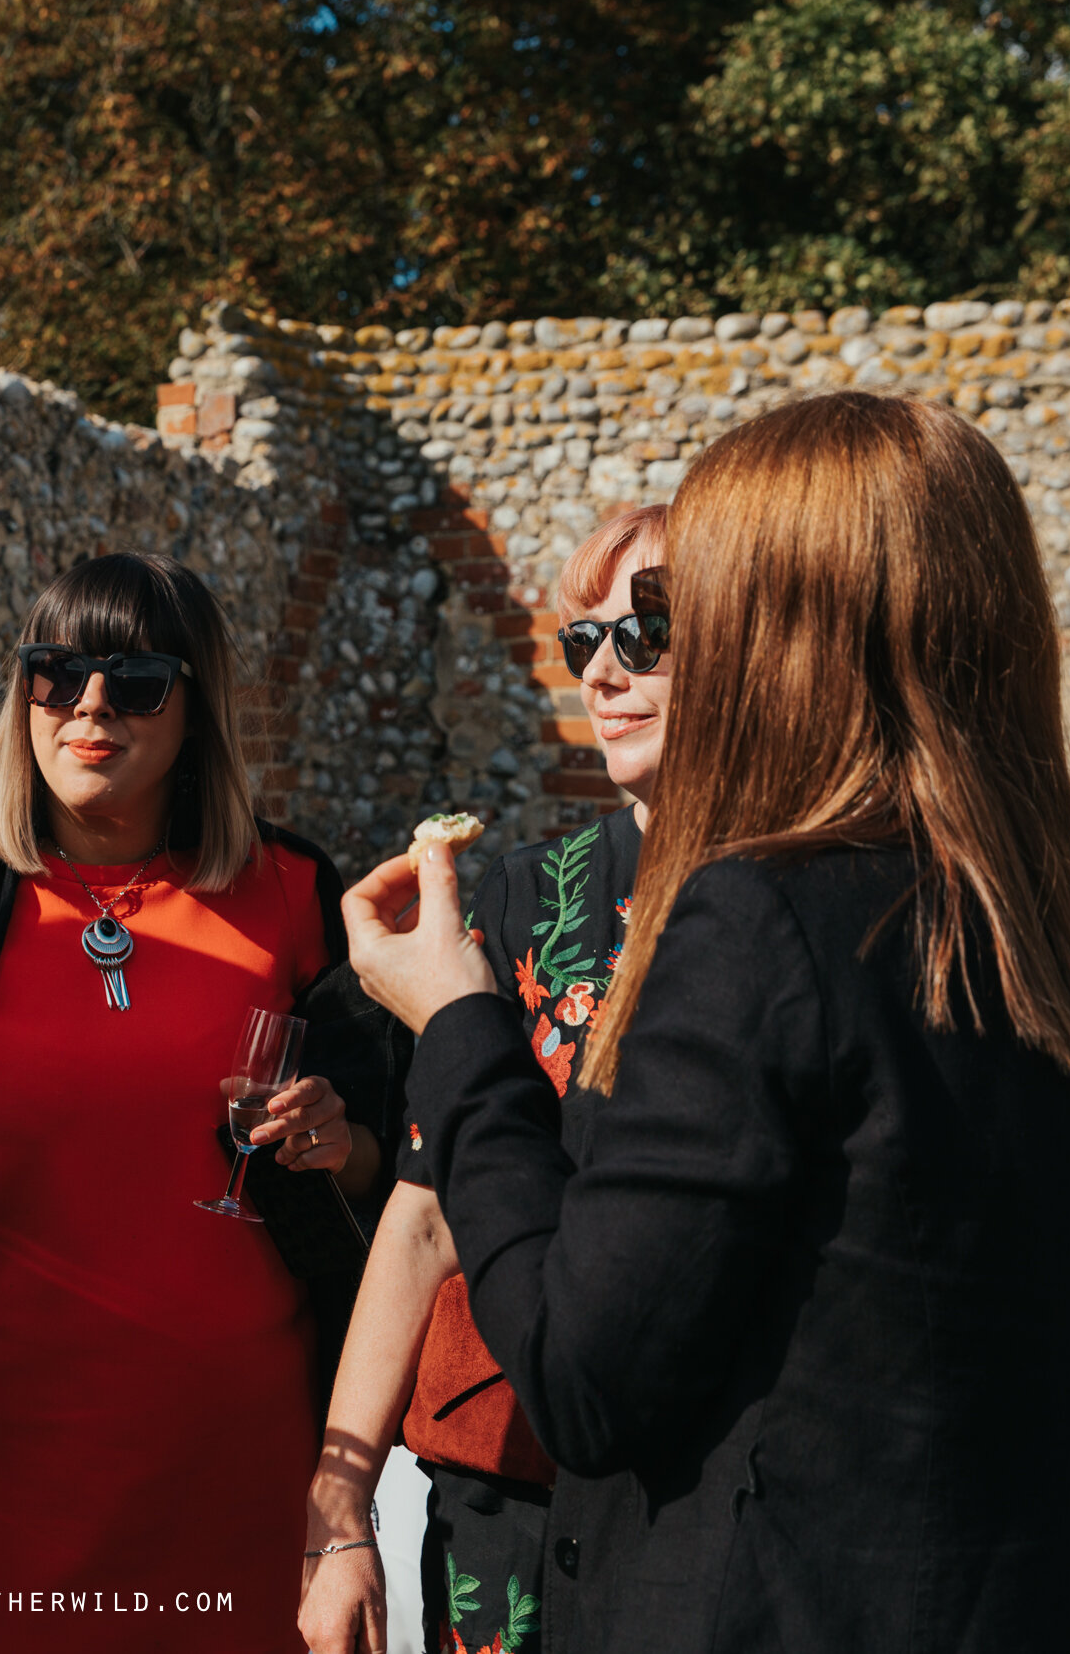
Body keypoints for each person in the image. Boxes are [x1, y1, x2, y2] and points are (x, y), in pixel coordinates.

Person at [343, 392, 1070, 1652]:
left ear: (775, 629)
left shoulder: (763, 921)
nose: (637, 656)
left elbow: (582, 1378)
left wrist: (460, 1022)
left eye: (683, 614)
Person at [0, 551, 392, 1653]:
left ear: (195, 710)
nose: (90, 705)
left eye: (137, 680)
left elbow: (389, 1169)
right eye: (56, 673)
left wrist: (339, 1142)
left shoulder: (292, 892)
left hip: (231, 1486)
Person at [302, 505, 669, 1654]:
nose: (603, 670)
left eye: (647, 633)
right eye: (582, 640)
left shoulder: (794, 904)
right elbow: (420, 1212)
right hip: (501, 1491)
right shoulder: (523, 896)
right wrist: (336, 1511)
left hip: (689, 1500)